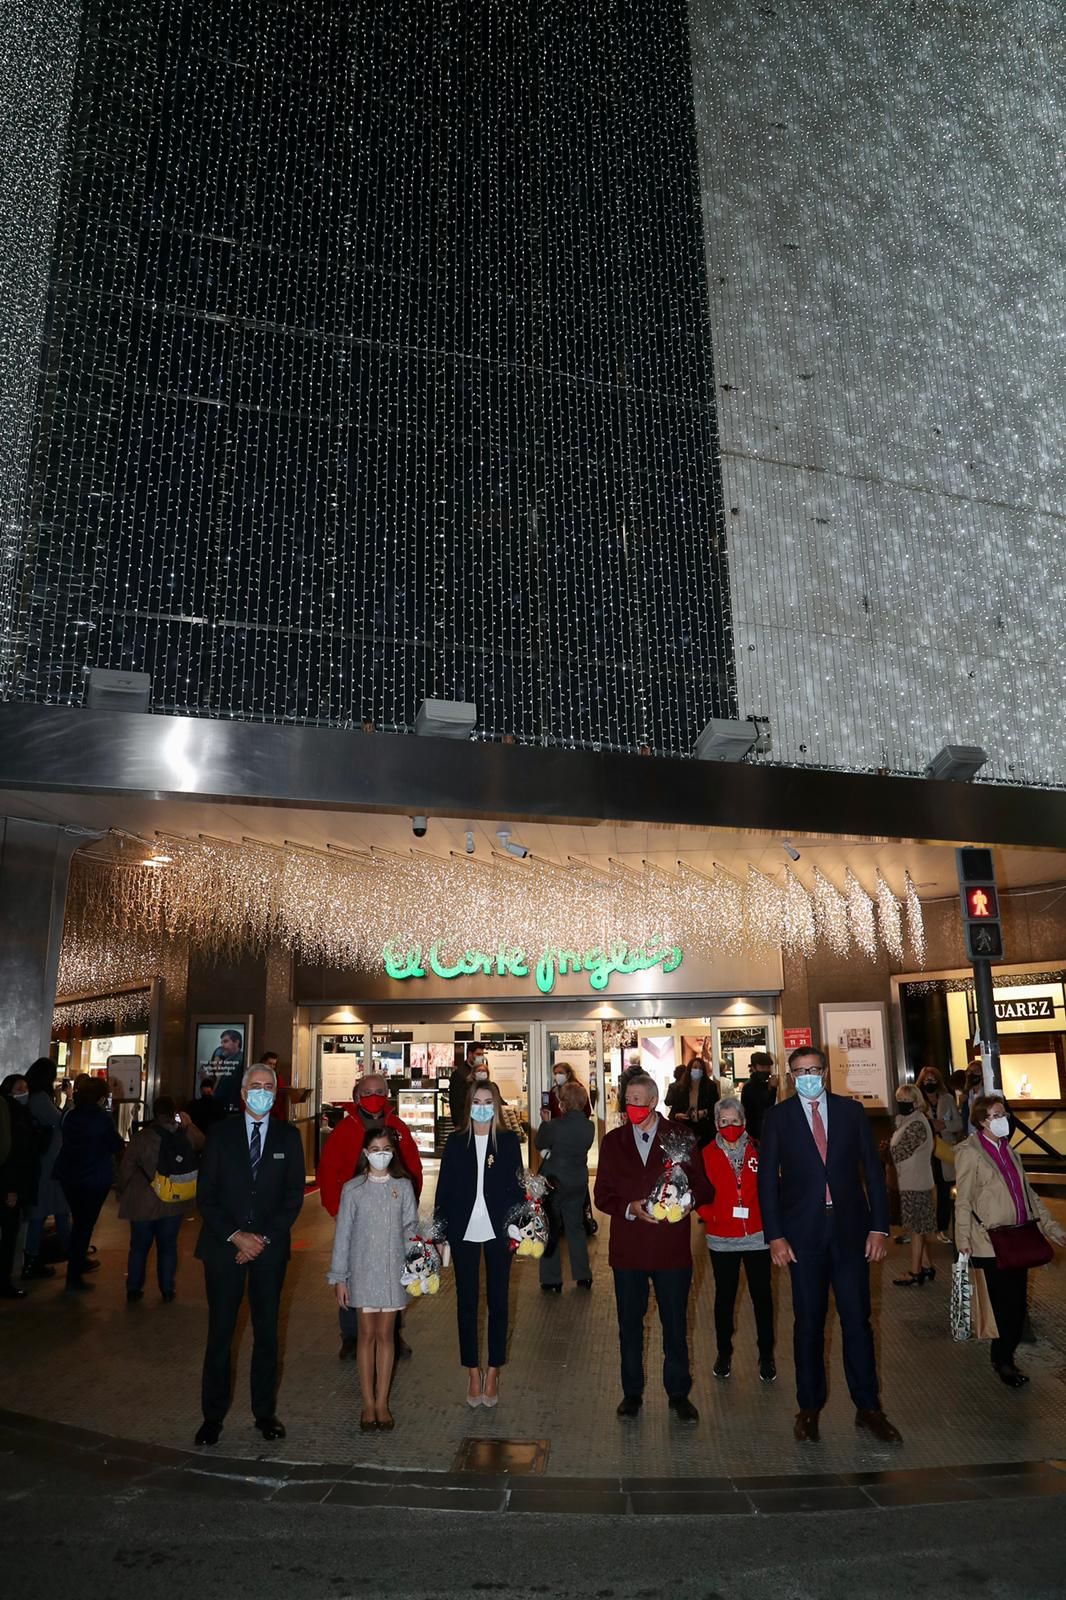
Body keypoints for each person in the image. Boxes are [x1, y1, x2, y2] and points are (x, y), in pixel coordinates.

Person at [757, 1046, 902, 1445]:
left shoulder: (850, 1112)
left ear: (825, 1072)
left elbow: (872, 1172)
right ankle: (809, 1408)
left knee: (858, 1321)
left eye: (814, 1069)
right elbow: (767, 1179)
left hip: (851, 1233)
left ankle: (868, 1407)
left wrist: (879, 1227)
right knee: (808, 1324)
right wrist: (775, 1235)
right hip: (802, 1237)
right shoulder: (778, 1118)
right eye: (799, 1071)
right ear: (790, 1076)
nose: (807, 1076)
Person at [193, 1062, 305, 1447]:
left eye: (268, 1086)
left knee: (267, 1334)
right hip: (224, 1249)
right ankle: (212, 1416)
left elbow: (293, 1199)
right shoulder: (220, 1135)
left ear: (276, 1093)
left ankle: (264, 1413)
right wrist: (237, 1237)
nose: (261, 1091)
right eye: (255, 1086)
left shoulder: (288, 1138)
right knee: (221, 1334)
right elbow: (206, 1195)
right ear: (242, 1094)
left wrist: (261, 1240)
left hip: (269, 1252)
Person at [594, 1073, 711, 1424]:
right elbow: (602, 1194)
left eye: (640, 1101)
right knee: (629, 1324)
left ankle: (678, 1394)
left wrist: (689, 1202)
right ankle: (632, 1393)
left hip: (670, 1248)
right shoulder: (613, 1142)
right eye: (628, 1100)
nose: (633, 1107)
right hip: (628, 1250)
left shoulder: (681, 1138)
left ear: (655, 1101)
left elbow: (705, 1188)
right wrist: (629, 1208)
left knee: (675, 1324)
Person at [954, 1094, 1066, 1387]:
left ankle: (1005, 1355)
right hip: (988, 1241)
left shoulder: (1009, 1151)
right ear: (981, 1121)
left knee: (1017, 1306)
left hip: (1018, 1237)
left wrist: (1054, 1230)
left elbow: (1029, 1197)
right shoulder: (970, 1152)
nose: (1004, 1119)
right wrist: (962, 1239)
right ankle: (1003, 1360)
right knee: (1005, 1307)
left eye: (1004, 1113)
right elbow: (963, 1200)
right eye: (997, 1114)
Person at [318, 1073, 423, 1359]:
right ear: (356, 1096)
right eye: (367, 1092)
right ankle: (351, 1335)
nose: (373, 1096)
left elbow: (413, 1167)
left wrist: (408, 1207)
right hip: (354, 1218)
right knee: (351, 1274)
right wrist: (337, 1212)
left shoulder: (398, 1128)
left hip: (391, 1216)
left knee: (394, 1273)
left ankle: (392, 1333)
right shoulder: (343, 1131)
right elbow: (328, 1172)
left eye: (379, 1091)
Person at [435, 1080, 523, 1408]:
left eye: (488, 1101)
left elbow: (517, 1188)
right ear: (468, 1104)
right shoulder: (457, 1143)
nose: (482, 1106)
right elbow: (443, 1191)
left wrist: (521, 1223)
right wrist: (440, 1234)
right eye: (477, 1100)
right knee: (467, 1301)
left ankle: (494, 1368)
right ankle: (473, 1371)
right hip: (463, 1229)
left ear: (497, 1105)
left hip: (500, 1229)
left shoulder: (510, 1141)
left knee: (499, 1301)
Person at [327, 1127, 418, 1431]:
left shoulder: (403, 1187)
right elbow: (343, 1235)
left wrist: (420, 1262)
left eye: (386, 1148)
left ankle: (383, 1403)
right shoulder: (353, 1189)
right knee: (366, 1335)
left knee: (386, 1335)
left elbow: (410, 1228)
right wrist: (339, 1277)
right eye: (375, 1148)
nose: (381, 1154)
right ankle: (367, 1403)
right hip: (362, 1271)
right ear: (365, 1153)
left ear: (393, 1152)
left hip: (393, 1272)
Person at [698, 1096, 775, 1381]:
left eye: (735, 1121)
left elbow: (772, 1187)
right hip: (722, 1238)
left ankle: (766, 1355)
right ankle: (724, 1352)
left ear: (744, 1121)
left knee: (762, 1297)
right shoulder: (705, 1153)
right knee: (724, 1299)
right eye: (723, 1121)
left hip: (757, 1235)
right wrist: (711, 1214)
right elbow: (698, 1191)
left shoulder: (758, 1149)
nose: (730, 1126)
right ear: (716, 1123)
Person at [117, 1095, 205, 1302]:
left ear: (154, 1114)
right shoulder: (183, 1135)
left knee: (138, 1247)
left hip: (141, 1203)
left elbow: (126, 1168)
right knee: (168, 1247)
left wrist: (121, 1191)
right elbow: (203, 1143)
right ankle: (167, 1289)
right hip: (172, 1202)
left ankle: (133, 1289)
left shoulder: (142, 1137)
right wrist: (189, 1124)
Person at [54, 1075, 124, 1293]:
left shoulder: (70, 1114)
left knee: (80, 1223)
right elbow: (115, 1144)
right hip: (94, 1177)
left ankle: (75, 1269)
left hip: (69, 1174)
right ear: (101, 1097)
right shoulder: (101, 1118)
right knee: (84, 1226)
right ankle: (74, 1275)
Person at [536, 1080, 595, 1292]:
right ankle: (583, 1275)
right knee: (576, 1228)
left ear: (564, 1103)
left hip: (554, 1181)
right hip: (578, 1180)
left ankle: (552, 1279)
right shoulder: (589, 1127)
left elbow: (540, 1142)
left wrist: (545, 1122)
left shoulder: (554, 1126)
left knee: (550, 1227)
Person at [22, 1058, 71, 1279]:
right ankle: (70, 1255)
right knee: (56, 1210)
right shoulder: (40, 1098)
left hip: (43, 1162)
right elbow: (61, 1121)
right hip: (49, 1162)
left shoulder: (32, 1097)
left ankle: (33, 1259)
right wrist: (68, 1099)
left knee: (43, 1213)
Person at [887, 1086, 936, 1287]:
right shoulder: (908, 1121)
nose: (902, 1102)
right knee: (917, 1226)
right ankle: (926, 1265)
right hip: (911, 1180)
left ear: (916, 1101)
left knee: (916, 1229)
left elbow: (899, 1152)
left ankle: (915, 1272)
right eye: (899, 1098)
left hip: (916, 1182)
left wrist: (882, 1152)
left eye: (906, 1099)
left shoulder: (916, 1124)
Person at [0, 1075, 37, 1299]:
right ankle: (4, 1282)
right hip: (8, 1186)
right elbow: (10, 1155)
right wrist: (10, 1189)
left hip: (13, 1184)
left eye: (26, 1087)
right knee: (8, 1236)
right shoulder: (10, 1115)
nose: (24, 1092)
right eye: (19, 1088)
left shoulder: (19, 1114)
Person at [916, 1066, 962, 1242]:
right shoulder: (918, 1101)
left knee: (945, 1189)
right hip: (925, 1152)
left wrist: (943, 1125)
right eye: (926, 1080)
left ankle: (942, 1228)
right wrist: (930, 1126)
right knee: (925, 1190)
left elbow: (958, 1123)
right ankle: (921, 1228)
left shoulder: (948, 1099)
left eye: (933, 1079)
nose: (930, 1082)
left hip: (944, 1149)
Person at [665, 1061, 719, 1146]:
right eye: (695, 1067)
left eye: (700, 1068)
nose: (697, 1070)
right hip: (685, 1130)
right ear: (689, 1069)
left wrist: (704, 1112)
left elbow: (716, 1108)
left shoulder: (711, 1086)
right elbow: (673, 1111)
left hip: (705, 1130)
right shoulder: (680, 1088)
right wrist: (677, 1115)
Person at [448, 1044, 487, 1128]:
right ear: (470, 1054)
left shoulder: (481, 1071)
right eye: (478, 1054)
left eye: (482, 1054)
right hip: (465, 1121)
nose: (481, 1057)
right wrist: (457, 1124)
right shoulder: (459, 1073)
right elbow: (454, 1100)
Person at [741, 1051, 778, 1141]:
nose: (765, 1070)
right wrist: (773, 1089)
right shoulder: (750, 1087)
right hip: (755, 1134)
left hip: (764, 1131)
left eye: (768, 1067)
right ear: (753, 1068)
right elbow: (765, 1106)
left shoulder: (764, 1084)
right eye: (762, 1067)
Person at [209, 1030, 245, 1109]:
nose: (222, 1045)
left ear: (236, 1042)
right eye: (221, 1042)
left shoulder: (240, 1061)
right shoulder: (227, 1059)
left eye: (225, 1041)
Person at [187, 1073, 227, 1137]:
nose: (206, 1096)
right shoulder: (219, 1106)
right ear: (213, 1091)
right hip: (214, 1136)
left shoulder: (193, 1105)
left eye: (207, 1093)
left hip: (197, 1137)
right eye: (205, 1093)